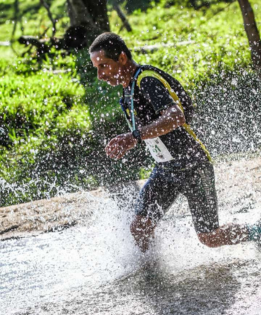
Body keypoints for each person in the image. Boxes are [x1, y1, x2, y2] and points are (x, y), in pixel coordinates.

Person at [89, 32, 261, 252]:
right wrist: (132, 140)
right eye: (97, 68)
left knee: (210, 237)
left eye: (103, 66)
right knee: (140, 227)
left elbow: (175, 117)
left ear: (122, 58)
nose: (100, 75)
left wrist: (134, 137)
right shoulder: (127, 92)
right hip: (165, 169)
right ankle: (152, 272)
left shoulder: (146, 80)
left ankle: (256, 232)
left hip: (193, 166)